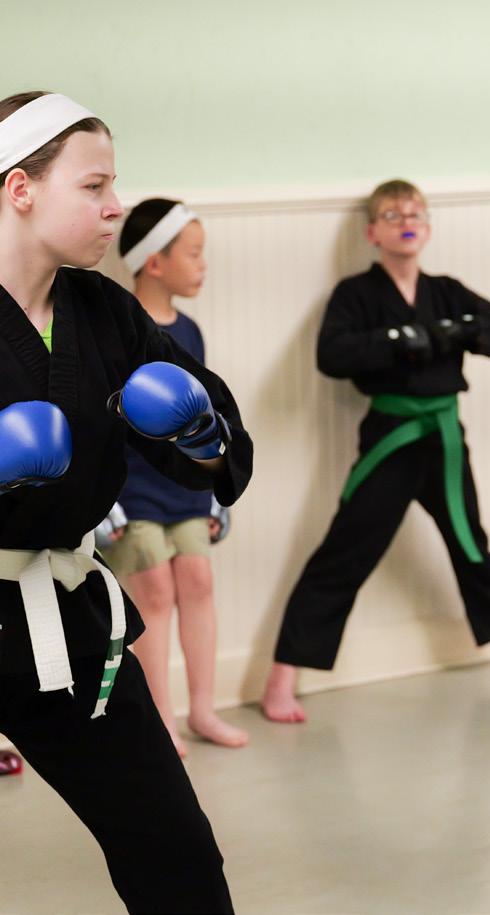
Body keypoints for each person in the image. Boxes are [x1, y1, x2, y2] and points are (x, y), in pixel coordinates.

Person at [0, 90, 251, 912]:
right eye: (94, 185)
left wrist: (202, 436)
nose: (115, 206)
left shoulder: (105, 309)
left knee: (174, 849)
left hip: (66, 610)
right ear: (20, 188)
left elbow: (216, 433)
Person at [262, 178, 490, 724]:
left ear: (428, 228)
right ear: (372, 232)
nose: (406, 221)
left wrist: (458, 332)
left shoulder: (447, 291)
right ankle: (281, 678)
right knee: (346, 550)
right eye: (392, 215)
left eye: (415, 214)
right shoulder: (356, 294)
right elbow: (332, 355)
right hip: (391, 437)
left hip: (445, 436)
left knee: (470, 541)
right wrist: (398, 341)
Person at [98, 198, 248, 756]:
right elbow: (100, 420)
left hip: (184, 488)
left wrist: (216, 490)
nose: (202, 265)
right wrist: (102, 500)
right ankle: (160, 718)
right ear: (155, 262)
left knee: (198, 583)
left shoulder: (190, 332)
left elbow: (202, 417)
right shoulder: (115, 330)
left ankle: (202, 709)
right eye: (193, 254)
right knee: (154, 593)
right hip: (133, 491)